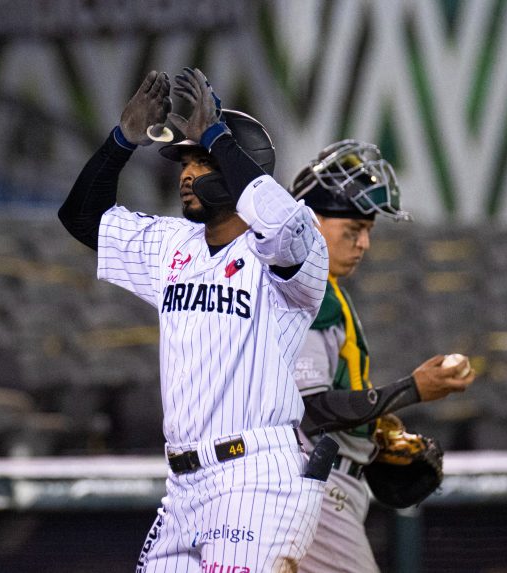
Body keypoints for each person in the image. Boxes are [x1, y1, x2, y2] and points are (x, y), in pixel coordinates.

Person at [59, 67, 330, 572]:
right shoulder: (173, 244)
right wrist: (121, 141)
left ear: (240, 166)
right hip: (183, 484)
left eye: (200, 161)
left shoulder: (291, 251)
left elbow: (284, 228)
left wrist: (216, 135)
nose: (186, 174)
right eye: (184, 163)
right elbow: (80, 217)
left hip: (255, 477)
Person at [289, 140, 477, 572]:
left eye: (368, 231)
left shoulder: (325, 289)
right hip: (317, 488)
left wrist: (372, 432)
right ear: (310, 223)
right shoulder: (308, 294)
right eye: (352, 229)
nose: (364, 243)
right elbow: (310, 410)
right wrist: (412, 390)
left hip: (328, 488)